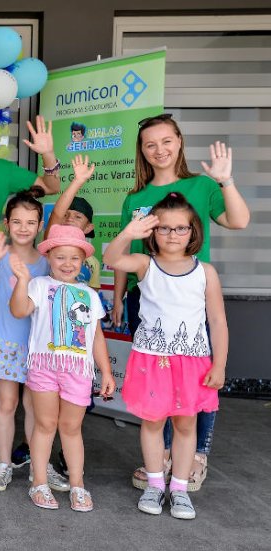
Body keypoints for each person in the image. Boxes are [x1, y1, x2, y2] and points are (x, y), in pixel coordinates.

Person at [111, 114, 249, 491]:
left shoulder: (201, 186)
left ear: (179, 141)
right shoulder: (135, 198)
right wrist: (119, 297)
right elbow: (127, 253)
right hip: (148, 298)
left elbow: (238, 221)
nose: (159, 150)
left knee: (197, 380)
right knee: (158, 379)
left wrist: (226, 180)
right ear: (142, 151)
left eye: (166, 141)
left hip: (192, 298)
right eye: (150, 144)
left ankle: (195, 457)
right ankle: (164, 459)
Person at [104, 192, 227, 520]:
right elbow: (114, 259)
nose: (173, 235)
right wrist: (129, 233)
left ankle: (181, 489)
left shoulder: (206, 273)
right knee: (153, 422)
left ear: (193, 231)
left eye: (181, 228)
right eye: (165, 228)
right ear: (152, 231)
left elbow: (217, 320)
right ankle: (156, 484)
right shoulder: (145, 265)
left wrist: (220, 364)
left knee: (186, 425)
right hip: (151, 361)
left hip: (193, 361)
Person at [9, 224, 115, 512]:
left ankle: (78, 485)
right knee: (45, 424)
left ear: (82, 261)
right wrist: (21, 280)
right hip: (44, 365)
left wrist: (105, 371)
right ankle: (39, 483)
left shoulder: (89, 295)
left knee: (71, 427)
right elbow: (19, 311)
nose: (67, 264)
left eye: (74, 258)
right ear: (49, 258)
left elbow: (96, 337)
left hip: (78, 370)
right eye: (60, 257)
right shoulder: (39, 285)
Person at [0, 191, 67, 493]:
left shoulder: (47, 261)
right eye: (17, 221)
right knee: (7, 404)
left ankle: (41, 466)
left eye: (31, 222)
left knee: (36, 409)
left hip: (39, 347)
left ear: (40, 227)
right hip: (7, 342)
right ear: (7, 224)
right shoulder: (0, 255)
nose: (23, 228)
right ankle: (3, 465)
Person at [44, 154, 100, 289]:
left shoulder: (93, 262)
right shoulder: (50, 247)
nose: (69, 219)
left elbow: (93, 293)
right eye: (66, 214)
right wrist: (77, 181)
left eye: (78, 217)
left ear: (88, 228)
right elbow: (57, 212)